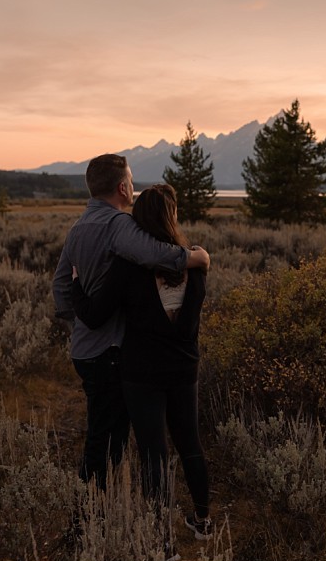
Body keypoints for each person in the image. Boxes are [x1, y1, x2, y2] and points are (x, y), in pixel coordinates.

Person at [53, 155, 210, 491]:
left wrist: (76, 327)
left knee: (104, 436)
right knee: (106, 443)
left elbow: (61, 285)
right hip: (109, 351)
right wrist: (195, 257)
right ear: (123, 188)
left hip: (85, 350)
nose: (134, 187)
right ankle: (87, 521)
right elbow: (154, 254)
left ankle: (97, 513)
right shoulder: (119, 225)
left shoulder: (77, 228)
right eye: (132, 181)